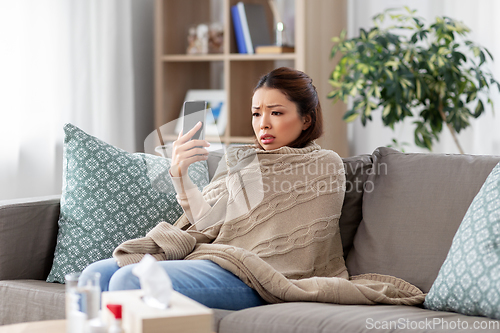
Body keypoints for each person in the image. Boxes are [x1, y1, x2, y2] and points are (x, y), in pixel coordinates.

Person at [81, 67, 425, 310]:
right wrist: (180, 174)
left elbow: (296, 250)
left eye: (276, 112)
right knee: (94, 275)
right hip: (220, 259)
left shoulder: (325, 164)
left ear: (306, 119)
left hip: (261, 276)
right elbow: (207, 225)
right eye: (256, 114)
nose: (263, 124)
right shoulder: (239, 159)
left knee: (130, 282)